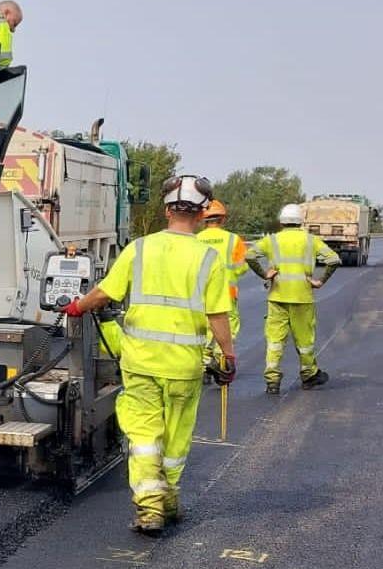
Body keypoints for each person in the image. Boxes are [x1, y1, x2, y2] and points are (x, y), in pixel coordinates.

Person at [61, 175, 234, 536]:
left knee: (143, 436)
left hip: (140, 361)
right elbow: (218, 314)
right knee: (175, 439)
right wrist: (228, 356)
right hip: (184, 366)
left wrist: (77, 307)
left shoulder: (139, 249)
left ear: (166, 209)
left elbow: (105, 293)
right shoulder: (209, 258)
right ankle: (168, 501)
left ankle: (149, 509)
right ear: (202, 213)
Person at [246, 203, 341, 395]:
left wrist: (265, 274)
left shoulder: (272, 240)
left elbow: (249, 255)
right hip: (302, 297)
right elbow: (333, 260)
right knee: (305, 340)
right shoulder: (311, 240)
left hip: (277, 297)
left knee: (275, 340)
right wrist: (320, 281)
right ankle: (309, 375)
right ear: (300, 221)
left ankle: (272, 381)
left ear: (281, 221)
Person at [197, 199, 250, 372]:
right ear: (223, 219)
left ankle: (204, 362)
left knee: (204, 326)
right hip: (227, 291)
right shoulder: (234, 240)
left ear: (204, 219)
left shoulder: (195, 240)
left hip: (200, 293)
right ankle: (222, 361)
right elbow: (242, 267)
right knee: (227, 325)